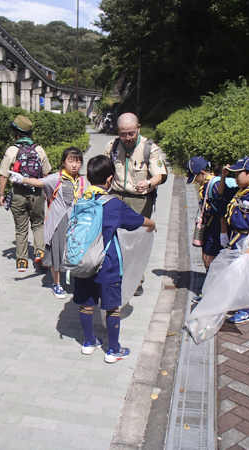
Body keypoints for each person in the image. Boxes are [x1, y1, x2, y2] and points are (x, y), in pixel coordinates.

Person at [73, 155, 156, 363]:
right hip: (107, 263)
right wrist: (152, 223)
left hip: (83, 260)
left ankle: (89, 342)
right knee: (111, 307)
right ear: (110, 179)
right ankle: (113, 350)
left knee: (86, 304)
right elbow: (136, 221)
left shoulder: (81, 200)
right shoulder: (113, 204)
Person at [103, 112, 167, 296]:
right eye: (123, 133)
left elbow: (159, 175)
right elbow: (103, 168)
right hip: (115, 196)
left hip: (140, 200)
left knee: (137, 240)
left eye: (131, 133)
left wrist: (148, 183)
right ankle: (116, 273)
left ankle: (137, 280)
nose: (128, 138)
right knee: (113, 237)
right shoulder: (112, 146)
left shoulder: (150, 148)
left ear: (138, 128)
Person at [9, 147, 86, 299]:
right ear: (64, 162)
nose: (74, 165)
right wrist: (22, 179)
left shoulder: (83, 180)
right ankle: (56, 284)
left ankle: (78, 282)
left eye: (78, 161)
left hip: (76, 224)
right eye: (70, 161)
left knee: (77, 252)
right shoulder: (57, 178)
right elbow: (39, 182)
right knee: (56, 253)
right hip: (58, 223)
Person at [0, 115, 52, 272]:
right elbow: (46, 175)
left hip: (18, 194)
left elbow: (3, 175)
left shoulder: (12, 150)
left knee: (21, 228)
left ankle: (22, 261)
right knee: (38, 224)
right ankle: (40, 252)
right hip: (37, 194)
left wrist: (1, 194)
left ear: (16, 133)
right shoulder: (39, 150)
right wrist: (46, 193)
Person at [218, 156, 249, 324]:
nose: (236, 177)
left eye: (239, 173)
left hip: (248, 240)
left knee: (248, 275)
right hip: (236, 238)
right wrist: (223, 176)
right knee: (237, 273)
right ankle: (239, 304)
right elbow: (221, 193)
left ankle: (247, 310)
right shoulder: (241, 192)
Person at [186, 156, 237, 302]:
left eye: (195, 177)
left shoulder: (214, 185)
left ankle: (212, 292)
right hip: (211, 227)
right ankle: (211, 289)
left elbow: (221, 210)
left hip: (216, 229)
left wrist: (223, 233)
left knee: (210, 259)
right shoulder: (209, 183)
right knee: (207, 257)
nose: (195, 180)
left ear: (202, 173)